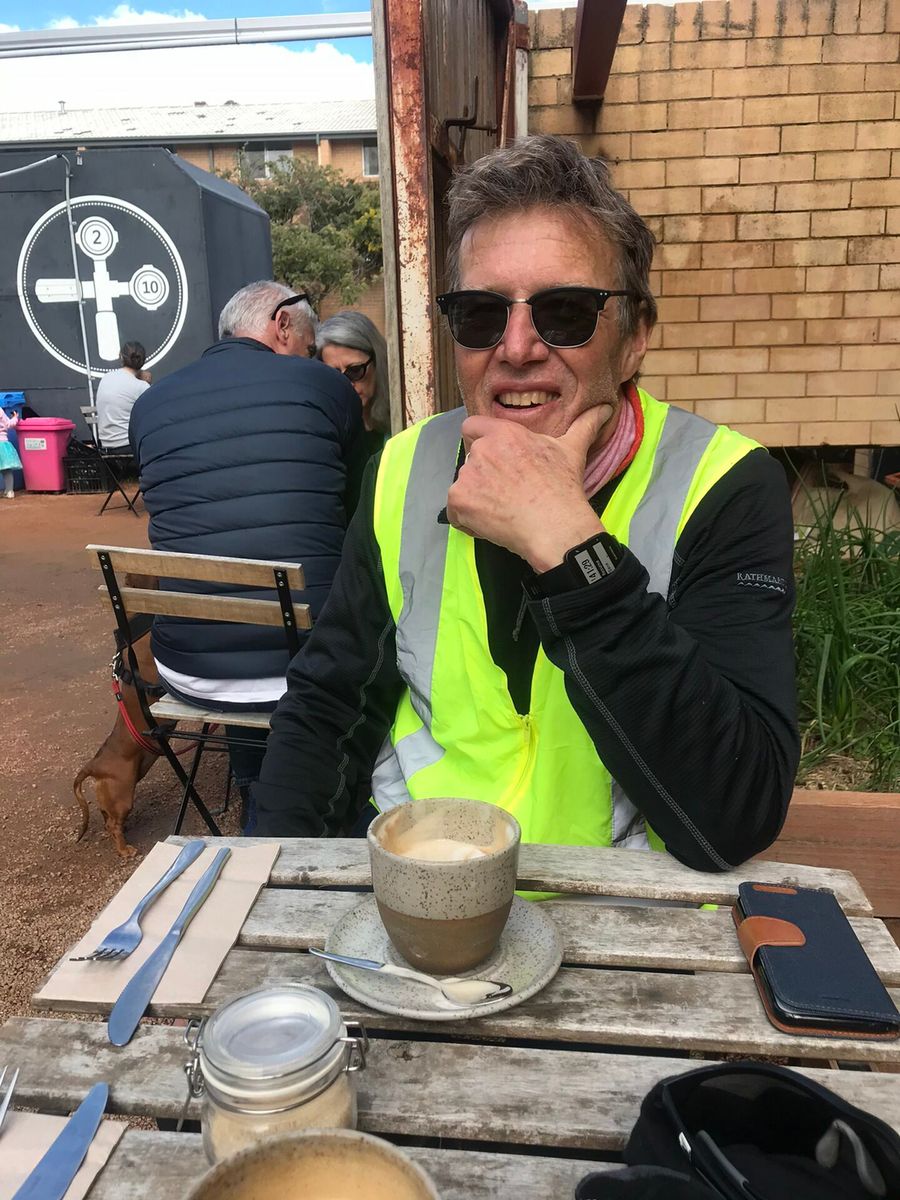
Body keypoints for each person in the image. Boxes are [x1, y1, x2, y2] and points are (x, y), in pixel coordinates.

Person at [252, 136, 799, 872]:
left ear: (635, 338)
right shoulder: (403, 469)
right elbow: (327, 711)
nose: (516, 347)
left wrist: (569, 544)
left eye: (564, 311)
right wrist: (271, 882)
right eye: (481, 314)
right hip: (429, 895)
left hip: (623, 912)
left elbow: (733, 817)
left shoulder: (726, 485)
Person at [129, 281, 364, 820]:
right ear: (282, 323)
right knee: (288, 635)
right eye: (307, 345)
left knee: (246, 625)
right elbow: (352, 509)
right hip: (303, 664)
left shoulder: (150, 405)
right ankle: (300, 790)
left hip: (188, 666)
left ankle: (254, 782)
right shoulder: (325, 386)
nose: (309, 356)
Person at [317, 311, 392, 457]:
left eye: (355, 370)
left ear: (377, 362)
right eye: (334, 376)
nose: (347, 385)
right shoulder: (325, 429)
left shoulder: (405, 413)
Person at [96, 342, 151, 450]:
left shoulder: (106, 378)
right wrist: (147, 383)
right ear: (143, 361)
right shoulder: (141, 386)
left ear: (121, 357)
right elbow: (152, 417)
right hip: (130, 446)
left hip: (106, 445)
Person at [0, 406, 22, 498]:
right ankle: (9, 491)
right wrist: (15, 417)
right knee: (6, 470)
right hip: (2, 443)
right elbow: (9, 424)